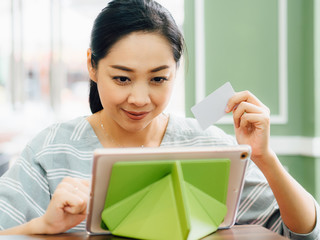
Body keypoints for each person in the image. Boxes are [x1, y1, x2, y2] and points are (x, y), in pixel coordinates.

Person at [0, 0, 318, 238]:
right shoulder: (51, 149)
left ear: (175, 73)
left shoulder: (207, 146)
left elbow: (303, 233)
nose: (140, 99)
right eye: (122, 78)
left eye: (158, 79)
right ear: (92, 66)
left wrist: (265, 157)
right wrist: (43, 226)